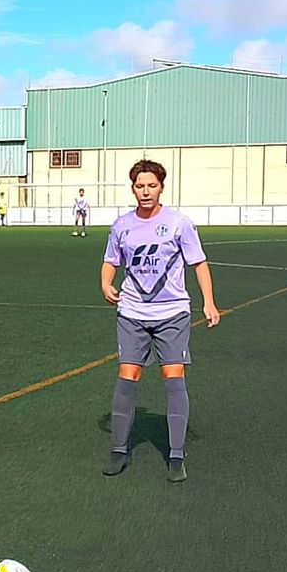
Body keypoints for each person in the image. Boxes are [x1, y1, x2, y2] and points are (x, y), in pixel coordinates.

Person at [101, 159, 221, 483]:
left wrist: (209, 302)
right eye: (140, 186)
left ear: (161, 187)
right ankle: (118, 449)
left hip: (172, 314)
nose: (145, 192)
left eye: (151, 185)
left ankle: (176, 455)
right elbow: (111, 261)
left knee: (173, 377)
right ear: (133, 188)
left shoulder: (180, 223)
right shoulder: (122, 225)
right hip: (132, 313)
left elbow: (199, 263)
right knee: (127, 376)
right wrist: (105, 283)